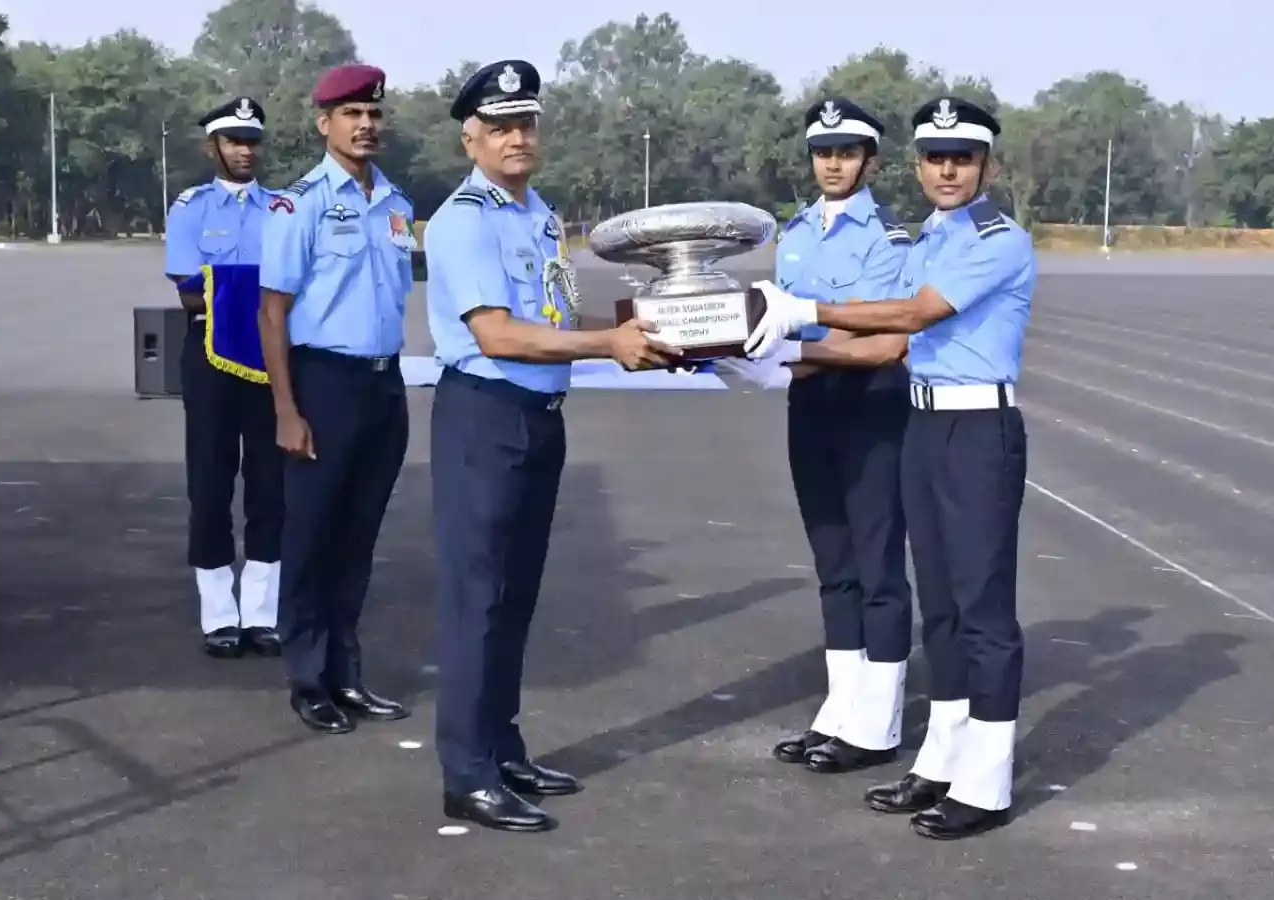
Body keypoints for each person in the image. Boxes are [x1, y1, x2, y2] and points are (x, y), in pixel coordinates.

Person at [742, 96, 1034, 841]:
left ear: (986, 166)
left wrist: (802, 314)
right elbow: (884, 330)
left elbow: (912, 316)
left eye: (962, 159)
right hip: (924, 421)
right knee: (940, 603)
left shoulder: (996, 239)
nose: (947, 171)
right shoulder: (930, 239)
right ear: (918, 165)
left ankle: (987, 781)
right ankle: (942, 759)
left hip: (978, 427)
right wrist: (774, 353)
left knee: (982, 609)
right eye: (935, 159)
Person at [424, 58, 680, 833]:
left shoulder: (537, 214)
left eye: (526, 124)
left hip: (538, 417)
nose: (517, 138)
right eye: (500, 126)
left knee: (516, 595)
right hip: (484, 415)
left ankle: (502, 748)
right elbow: (498, 335)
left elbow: (555, 318)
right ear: (471, 139)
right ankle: (467, 774)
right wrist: (610, 344)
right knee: (478, 599)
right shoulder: (464, 220)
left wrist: (655, 326)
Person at [718, 96, 912, 776]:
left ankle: (879, 722)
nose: (832, 163)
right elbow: (778, 323)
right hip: (811, 404)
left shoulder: (888, 239)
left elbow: (878, 334)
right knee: (834, 563)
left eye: (846, 152)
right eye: (823, 152)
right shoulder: (796, 231)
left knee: (877, 565)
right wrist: (739, 350)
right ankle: (841, 709)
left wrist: (792, 353)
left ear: (870, 161)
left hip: (871, 404)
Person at [257, 64, 415, 735]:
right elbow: (272, 311)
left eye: (373, 114)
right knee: (312, 534)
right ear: (325, 123)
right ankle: (309, 678)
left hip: (383, 384)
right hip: (323, 383)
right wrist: (286, 410)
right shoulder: (301, 204)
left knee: (357, 537)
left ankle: (347, 675)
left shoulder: (397, 202)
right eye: (352, 114)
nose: (366, 125)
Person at [163, 97, 283, 660]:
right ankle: (218, 613)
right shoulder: (190, 207)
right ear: (212, 146)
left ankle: (261, 612)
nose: (245, 151)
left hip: (271, 355)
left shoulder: (281, 209)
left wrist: (228, 285)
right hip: (209, 354)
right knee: (210, 483)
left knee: (270, 485)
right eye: (234, 141)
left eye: (252, 141)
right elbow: (188, 290)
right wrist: (258, 289)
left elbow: (292, 283)